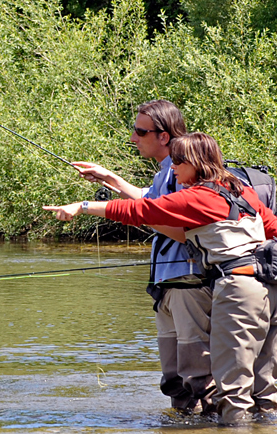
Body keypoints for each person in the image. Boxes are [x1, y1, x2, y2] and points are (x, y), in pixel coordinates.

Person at [44, 132, 277, 425]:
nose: (173, 168)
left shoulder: (199, 196)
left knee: (233, 390)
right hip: (271, 289)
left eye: (178, 162)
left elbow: (141, 211)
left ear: (196, 163)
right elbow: (274, 231)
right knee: (264, 386)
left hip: (238, 290)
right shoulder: (240, 190)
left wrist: (82, 207)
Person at [72, 100, 213, 413]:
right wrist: (109, 178)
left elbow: (174, 223)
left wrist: (89, 207)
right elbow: (148, 201)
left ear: (164, 136)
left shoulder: (182, 172)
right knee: (174, 380)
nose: (134, 138)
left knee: (197, 377)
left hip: (188, 283)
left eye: (140, 131)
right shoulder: (167, 171)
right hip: (167, 286)